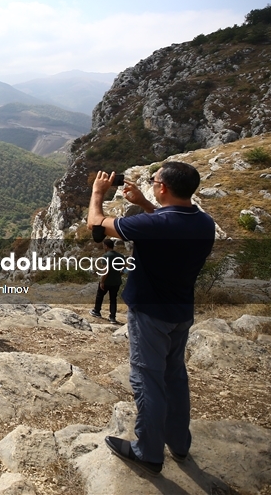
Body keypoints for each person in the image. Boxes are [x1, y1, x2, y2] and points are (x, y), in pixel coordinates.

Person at [88, 162, 215, 476]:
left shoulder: (155, 225)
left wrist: (97, 192)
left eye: (155, 180)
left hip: (150, 313)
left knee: (147, 379)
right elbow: (167, 223)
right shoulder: (204, 222)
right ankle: (179, 443)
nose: (153, 183)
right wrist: (144, 204)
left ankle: (148, 452)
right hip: (180, 311)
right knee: (175, 378)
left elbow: (96, 223)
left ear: (163, 187)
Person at [90, 239, 123, 324]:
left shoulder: (106, 256)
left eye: (103, 245)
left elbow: (106, 270)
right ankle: (112, 317)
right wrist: (118, 275)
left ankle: (97, 311)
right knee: (113, 299)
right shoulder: (120, 256)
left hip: (107, 281)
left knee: (100, 296)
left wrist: (102, 281)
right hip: (117, 282)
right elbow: (124, 269)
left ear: (106, 246)